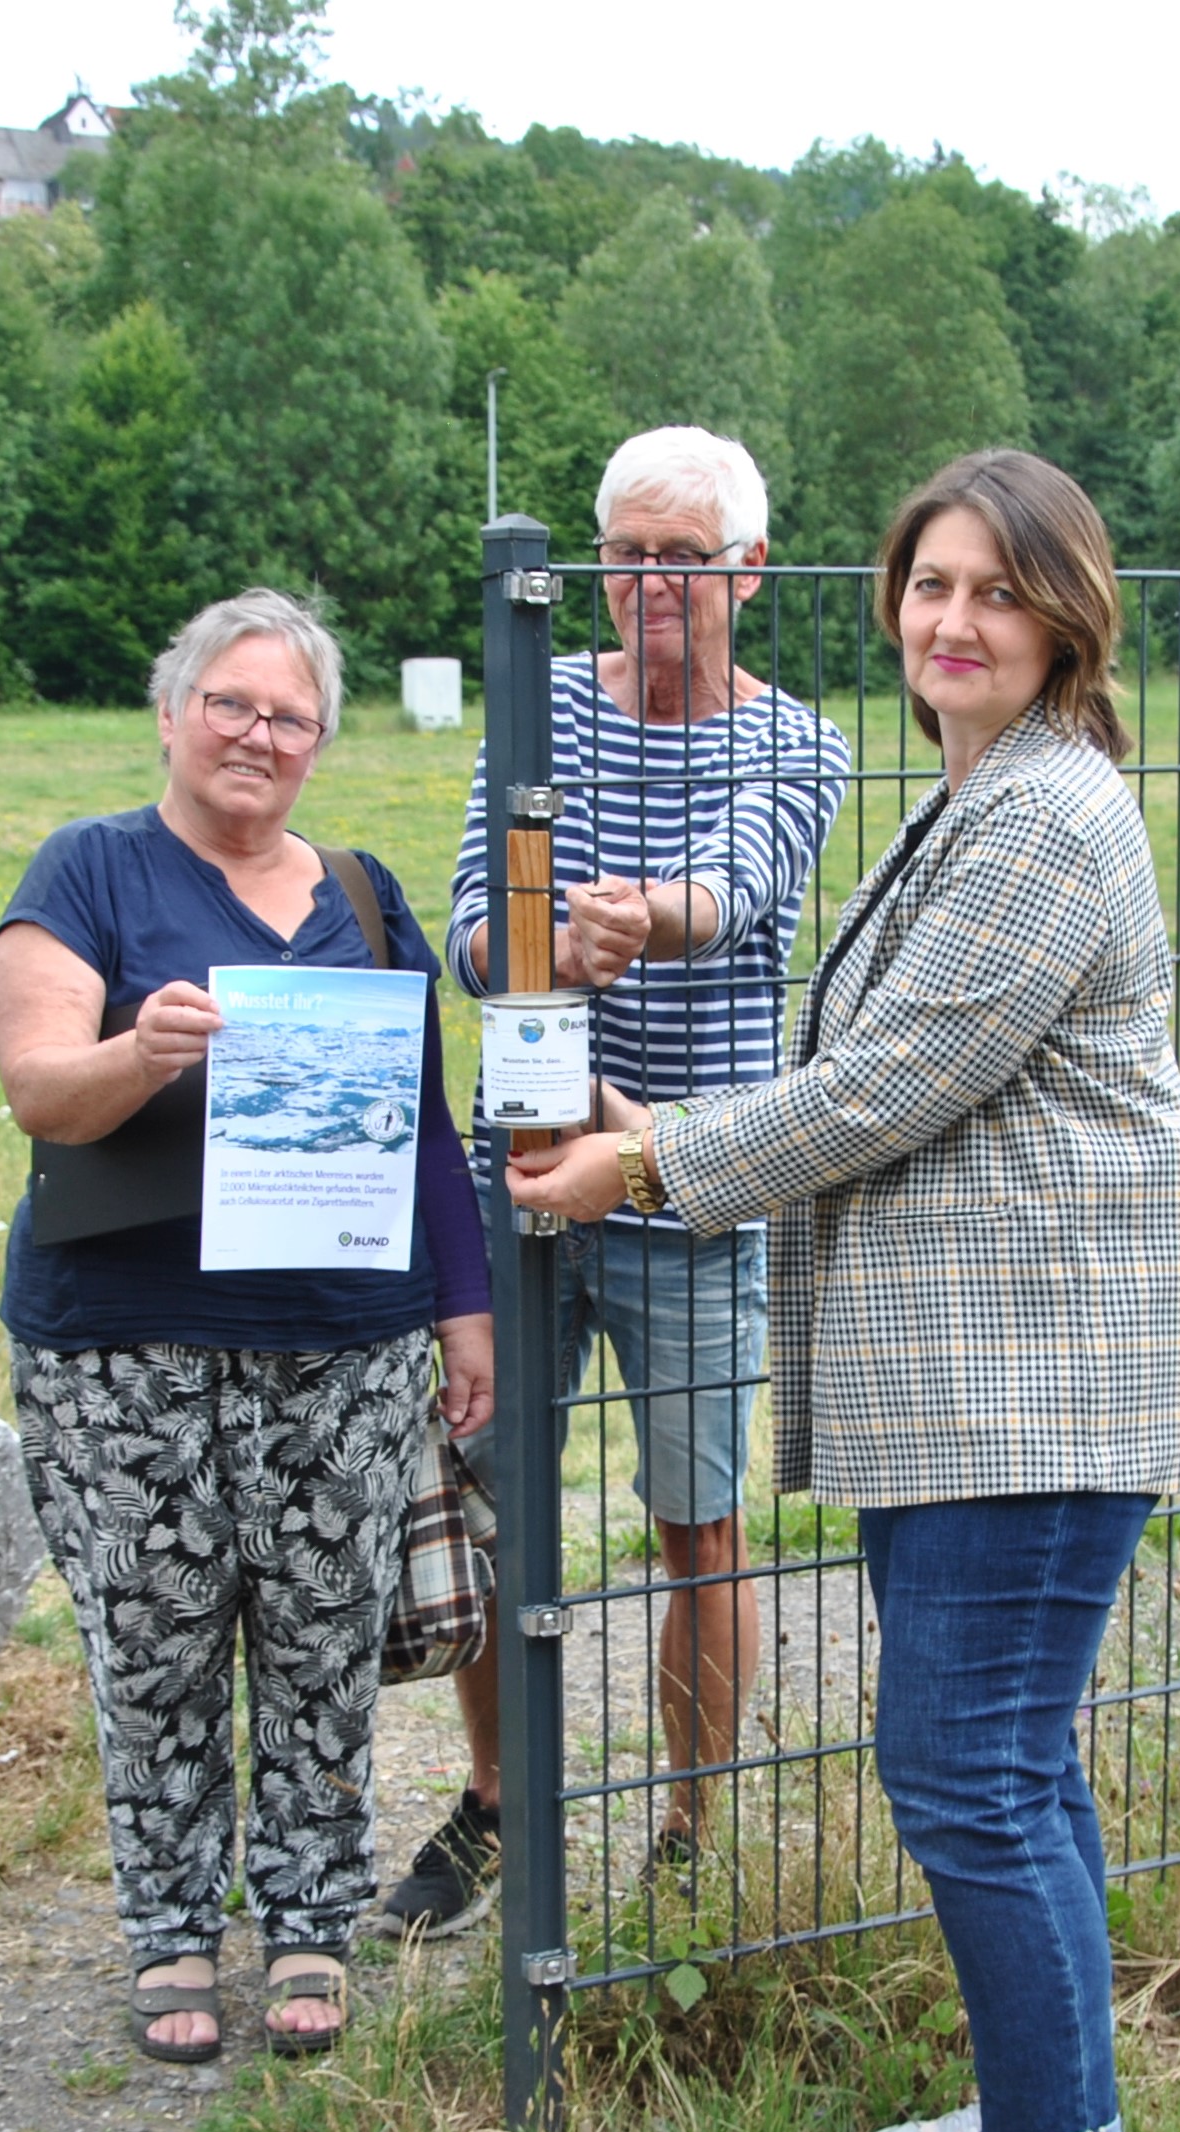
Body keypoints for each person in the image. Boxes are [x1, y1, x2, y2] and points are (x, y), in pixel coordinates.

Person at [510, 451, 1180, 2132]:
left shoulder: (1048, 819)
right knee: (1012, 1765)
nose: (950, 621)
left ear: (1066, 617)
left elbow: (886, 1081)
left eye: (995, 591)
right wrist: (671, 1130)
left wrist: (648, 1170)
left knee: (967, 1773)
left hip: (1035, 1386)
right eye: (927, 586)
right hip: (981, 1387)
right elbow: (869, 1075)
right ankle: (1048, 2128)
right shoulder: (983, 795)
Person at [0, 590, 494, 2064]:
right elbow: (38, 1087)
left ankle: (309, 1922)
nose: (257, 737)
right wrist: (139, 1049)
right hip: (119, 1344)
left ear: (321, 744)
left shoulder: (359, 886)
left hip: (343, 1338)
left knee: (325, 1641)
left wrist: (462, 1306)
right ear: (170, 712)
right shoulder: (86, 870)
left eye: (289, 717)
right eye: (231, 704)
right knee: (154, 1647)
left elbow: (423, 1127)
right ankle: (168, 1932)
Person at [377, 426, 851, 1938]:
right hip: (519, 1166)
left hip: (687, 1176)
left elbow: (742, 883)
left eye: (680, 559)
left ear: (749, 573)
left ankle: (692, 1823)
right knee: (485, 1497)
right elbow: (468, 914)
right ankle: (503, 1806)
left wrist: (639, 916)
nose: (646, 586)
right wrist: (526, 949)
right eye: (624, 556)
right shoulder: (535, 707)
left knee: (694, 1523)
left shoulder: (799, 741)